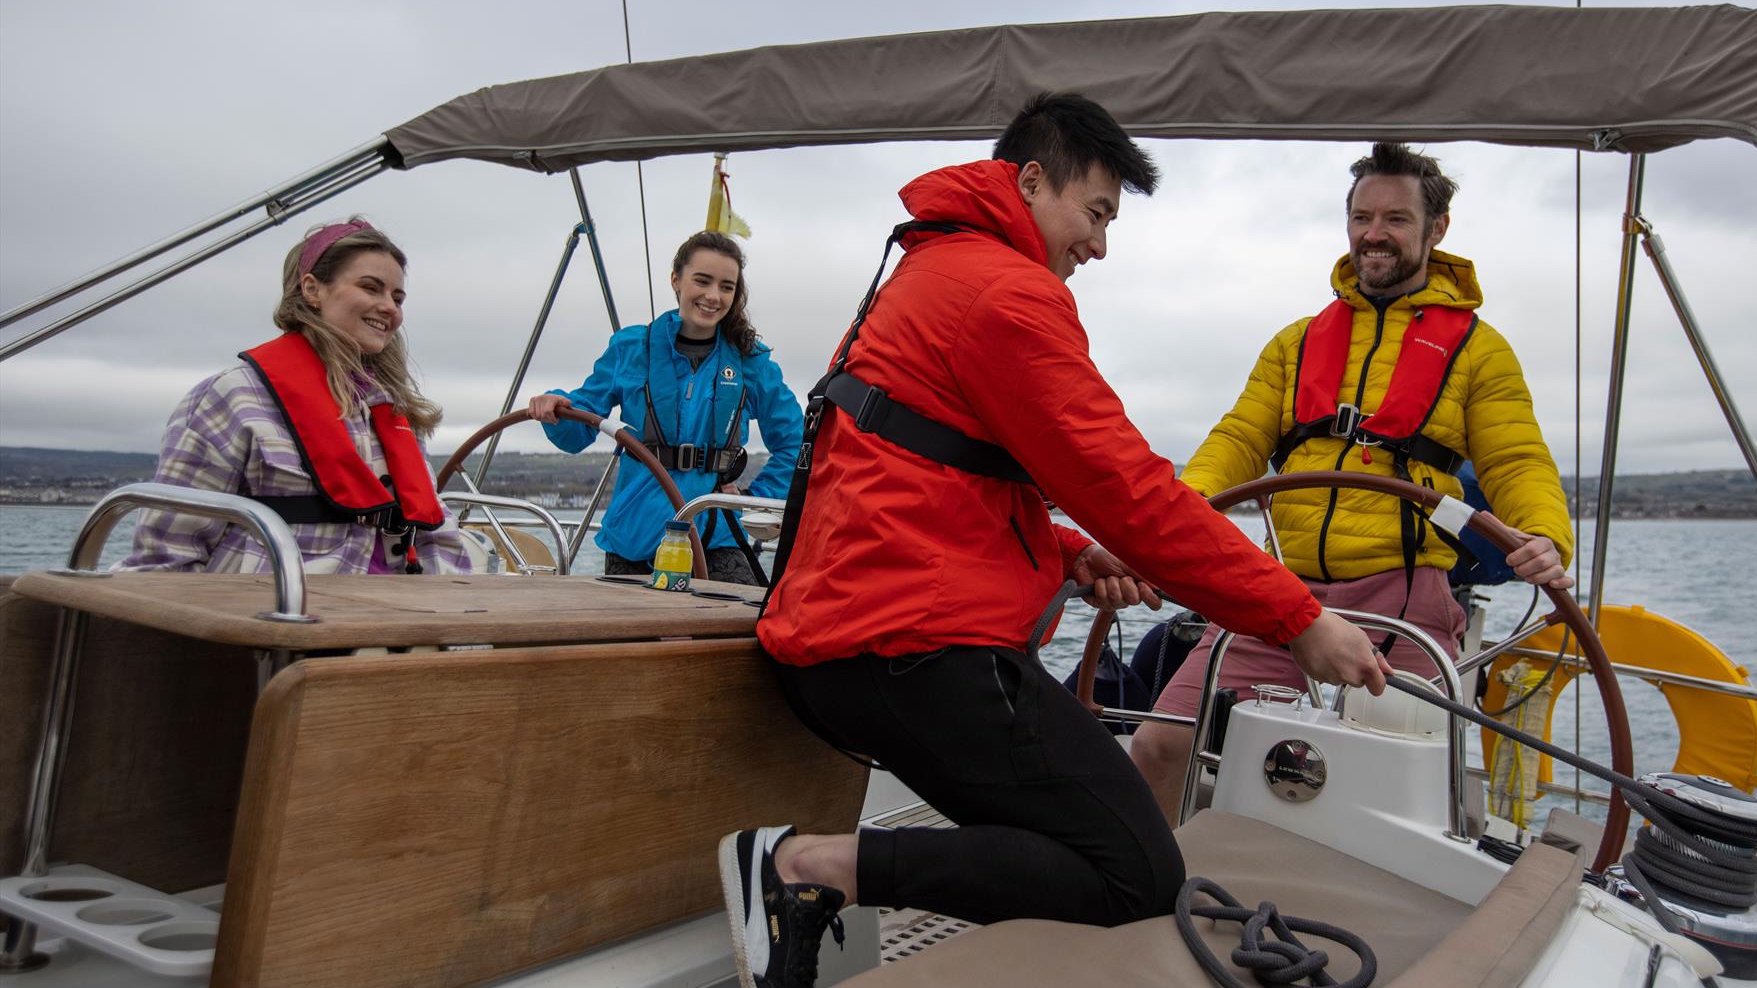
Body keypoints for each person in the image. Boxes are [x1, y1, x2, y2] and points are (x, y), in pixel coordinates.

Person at [716, 93, 1392, 988]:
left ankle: (819, 885)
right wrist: (1296, 618)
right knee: (1136, 874)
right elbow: (1128, 488)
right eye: (1096, 213)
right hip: (907, 652)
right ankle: (806, 871)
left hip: (849, 643)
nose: (1100, 245)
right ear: (1030, 181)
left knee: (1089, 837)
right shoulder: (1005, 293)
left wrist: (1070, 553)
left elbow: (930, 472)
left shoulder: (932, 271)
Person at [1128, 143, 1575, 823]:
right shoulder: (1295, 343)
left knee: (1396, 792)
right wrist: (1180, 513)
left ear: (1438, 228)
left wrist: (1544, 533)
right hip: (1282, 596)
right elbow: (1238, 439)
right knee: (1160, 747)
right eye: (1362, 216)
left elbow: (1516, 462)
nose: (1374, 233)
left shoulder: (1479, 351)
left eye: (1396, 218)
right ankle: (1149, 902)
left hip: (1403, 598)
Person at [118, 218, 471, 574]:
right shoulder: (233, 397)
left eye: (397, 298)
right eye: (370, 288)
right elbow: (166, 559)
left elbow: (435, 533)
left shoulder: (394, 410)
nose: (390, 308)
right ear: (312, 289)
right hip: (278, 616)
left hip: (395, 617)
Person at [528, 231, 801, 585]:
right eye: (702, 281)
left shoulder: (752, 362)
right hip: (635, 538)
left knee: (741, 631)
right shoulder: (631, 349)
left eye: (726, 286)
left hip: (715, 536)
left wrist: (753, 501)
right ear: (676, 280)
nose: (713, 296)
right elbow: (575, 431)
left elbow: (797, 444)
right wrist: (555, 406)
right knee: (635, 641)